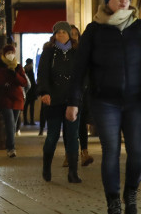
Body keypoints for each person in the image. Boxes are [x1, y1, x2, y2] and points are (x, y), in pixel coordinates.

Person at [70, 0, 141, 214]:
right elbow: (80, 69)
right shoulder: (94, 30)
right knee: (111, 152)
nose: (123, 0)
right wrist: (74, 102)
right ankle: (113, 204)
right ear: (107, 1)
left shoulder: (140, 28)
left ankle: (130, 193)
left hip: (136, 101)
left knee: (138, 154)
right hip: (104, 101)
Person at [36, 22, 81, 184]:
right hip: (53, 100)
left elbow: (81, 75)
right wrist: (44, 92)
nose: (61, 34)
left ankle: (73, 172)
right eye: (58, 32)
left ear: (70, 34)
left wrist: (80, 94)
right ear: (54, 35)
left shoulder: (77, 52)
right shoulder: (49, 51)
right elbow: (42, 73)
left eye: (64, 32)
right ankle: (46, 167)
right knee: (52, 136)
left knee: (72, 136)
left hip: (72, 101)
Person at [71, 24, 95, 167]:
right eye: (71, 33)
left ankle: (84, 152)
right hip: (67, 93)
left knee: (81, 123)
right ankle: (70, 154)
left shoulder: (83, 52)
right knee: (70, 126)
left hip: (83, 92)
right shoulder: (59, 53)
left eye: (75, 34)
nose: (73, 36)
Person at [22, 58, 38, 125]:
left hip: (27, 91)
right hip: (32, 91)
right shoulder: (30, 70)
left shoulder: (24, 70)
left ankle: (25, 120)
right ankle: (31, 120)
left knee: (26, 105)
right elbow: (32, 82)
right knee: (32, 106)